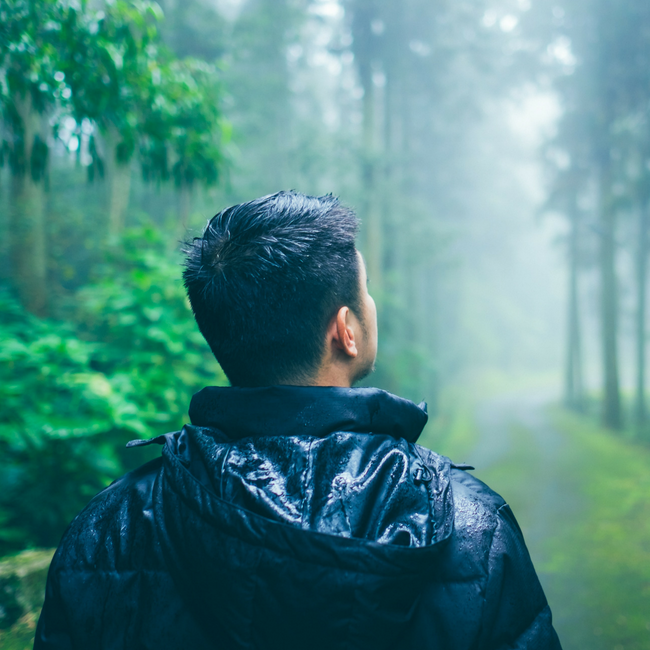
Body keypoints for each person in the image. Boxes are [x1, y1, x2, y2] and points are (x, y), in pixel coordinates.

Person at [35, 191, 562, 649]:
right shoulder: (470, 527)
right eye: (366, 289)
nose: (371, 302)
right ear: (345, 330)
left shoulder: (108, 529)